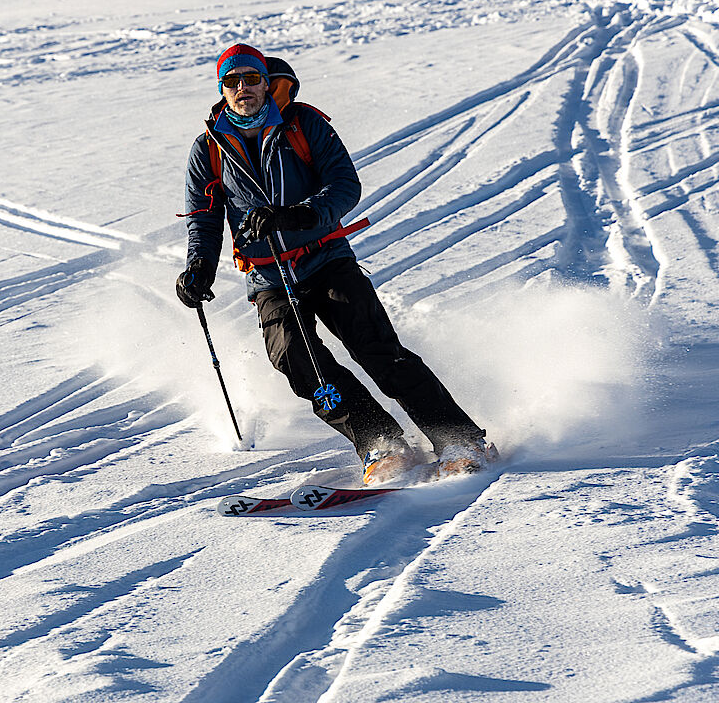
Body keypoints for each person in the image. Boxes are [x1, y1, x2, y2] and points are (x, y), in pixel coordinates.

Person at [176, 43, 494, 484]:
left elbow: (345, 185)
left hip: (325, 258)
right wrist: (198, 269)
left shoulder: (303, 124)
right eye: (233, 82)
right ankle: (380, 442)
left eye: (251, 79)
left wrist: (300, 214)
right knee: (295, 357)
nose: (243, 88)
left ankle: (459, 439)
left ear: (267, 83)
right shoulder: (208, 148)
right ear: (222, 90)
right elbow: (203, 218)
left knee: (378, 351)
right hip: (268, 274)